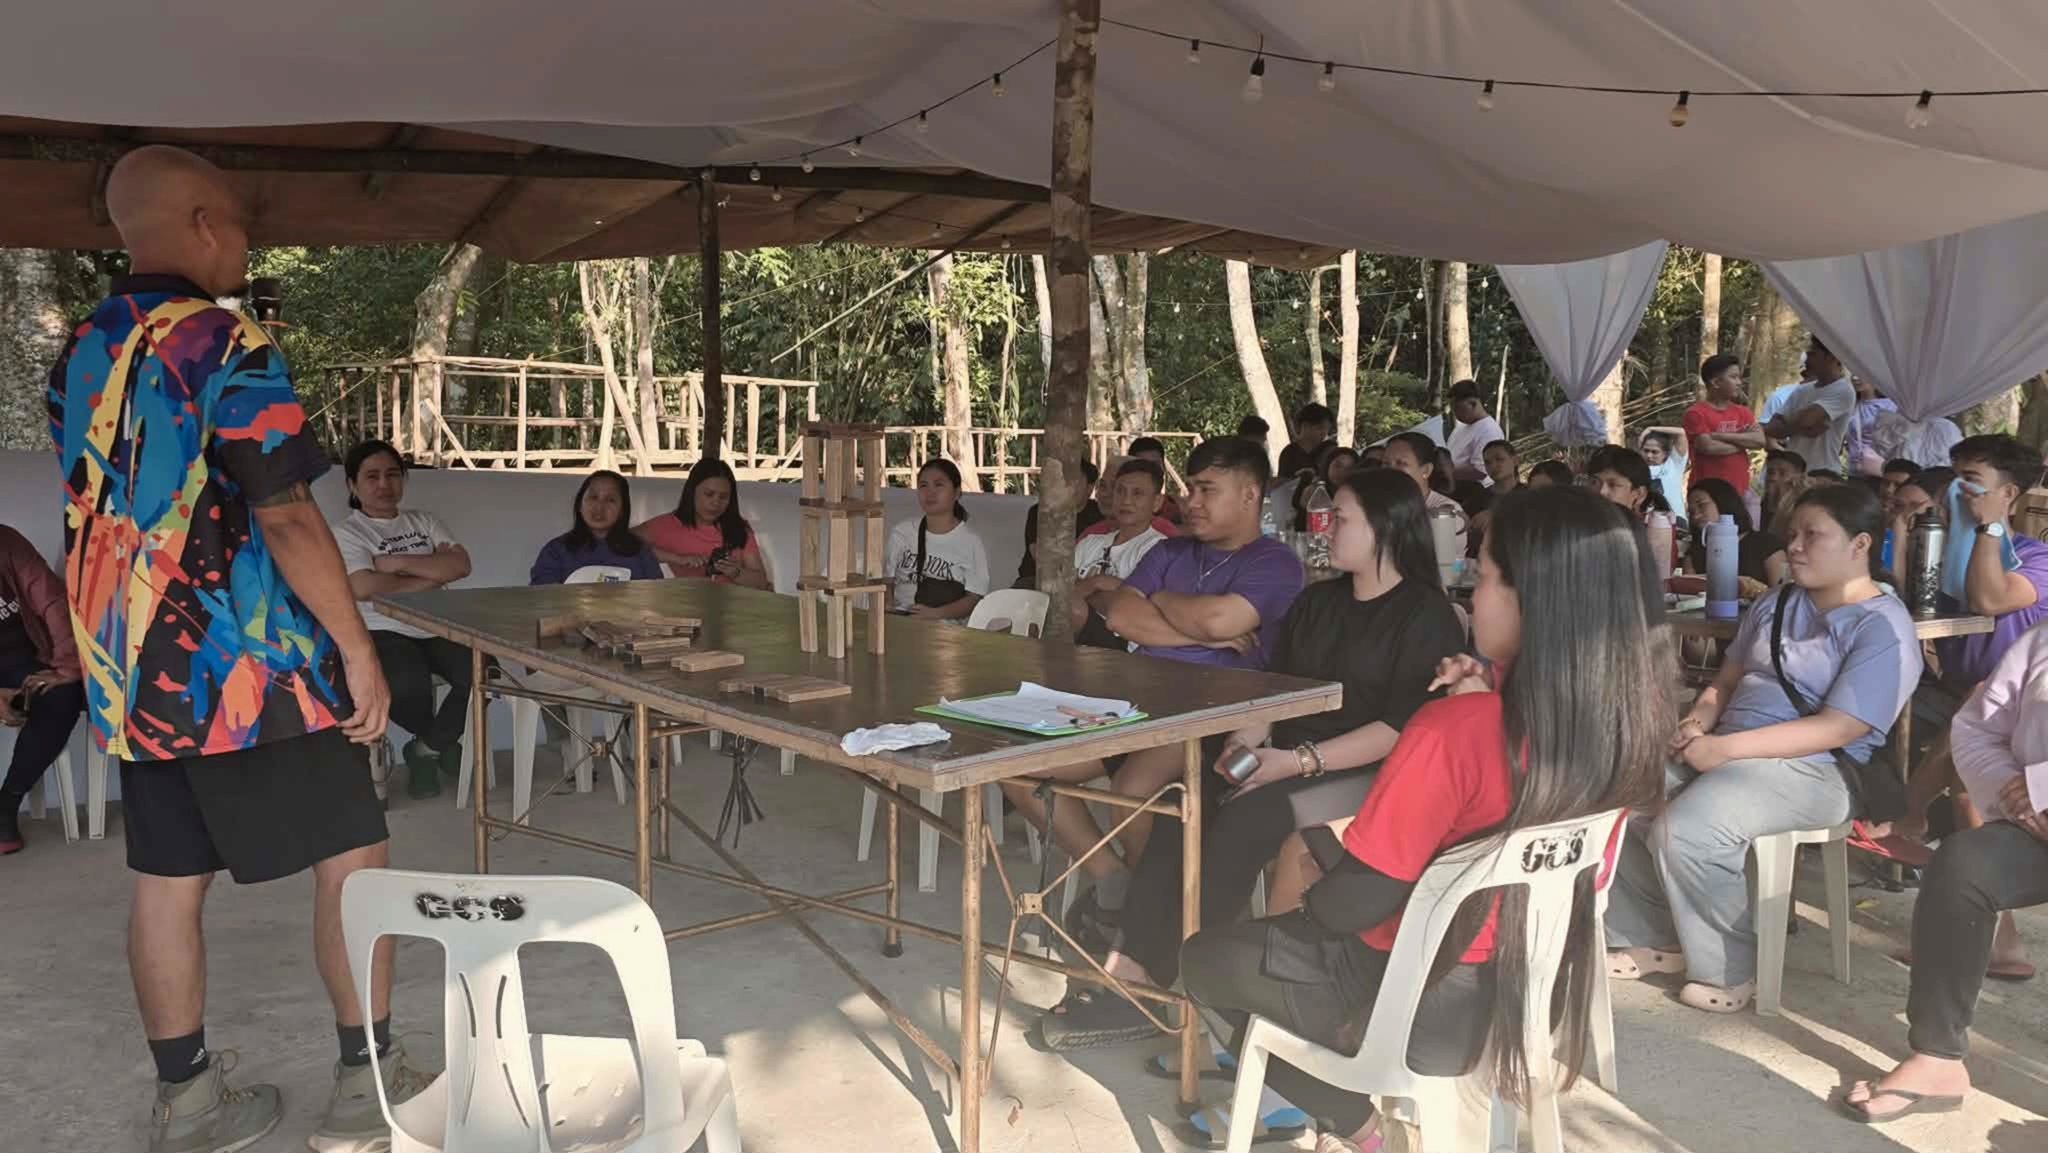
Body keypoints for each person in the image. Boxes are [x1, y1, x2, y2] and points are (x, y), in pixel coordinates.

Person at [46, 145, 419, 1153]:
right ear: (206, 222)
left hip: (133, 673)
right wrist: (356, 647)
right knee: (354, 857)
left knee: (168, 880)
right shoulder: (222, 338)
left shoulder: (81, 351)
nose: (247, 243)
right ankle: (368, 1082)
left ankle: (188, 1100)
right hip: (247, 669)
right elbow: (288, 512)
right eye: (242, 223)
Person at [1142, 487, 1672, 1148]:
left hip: (1413, 1000)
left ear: (1535, 599)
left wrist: (1326, 867)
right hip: (1528, 983)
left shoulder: (1455, 728)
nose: (1473, 596)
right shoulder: (1626, 722)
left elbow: (1350, 906)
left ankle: (1363, 1127)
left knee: (1206, 959)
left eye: (1484, 577)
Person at [1038, 469, 1468, 1062]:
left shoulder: (1424, 615)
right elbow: (1274, 691)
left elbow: (1400, 728)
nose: (1325, 530)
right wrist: (1244, 743)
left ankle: (1174, 977)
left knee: (1242, 823)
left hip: (1360, 768)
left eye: (1340, 519)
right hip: (1283, 752)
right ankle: (1132, 965)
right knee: (1183, 803)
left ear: (1385, 528)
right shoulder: (1318, 601)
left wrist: (1294, 762)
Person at [1607, 485, 1920, 1013]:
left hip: (1817, 770)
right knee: (1621, 791)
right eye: (1792, 534)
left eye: (1812, 535)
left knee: (1690, 828)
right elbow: (1725, 682)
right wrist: (1696, 723)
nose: (1794, 546)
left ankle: (1729, 969)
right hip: (1729, 747)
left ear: (1860, 543)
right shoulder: (1777, 602)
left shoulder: (1883, 626)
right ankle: (1655, 936)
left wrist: (1726, 749)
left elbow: (1838, 728)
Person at [1000, 438, 1306, 950]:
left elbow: (1221, 619)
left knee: (1133, 789)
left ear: (1250, 495)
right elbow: (1121, 615)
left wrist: (1160, 600)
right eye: (1191, 489)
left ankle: (1154, 921)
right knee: (1014, 766)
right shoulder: (1171, 550)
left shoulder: (1275, 563)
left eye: (1207, 490)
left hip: (1214, 717)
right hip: (1133, 704)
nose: (1192, 501)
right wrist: (1194, 629)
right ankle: (1114, 880)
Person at [1839, 621, 2048, 1123]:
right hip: (2038, 825)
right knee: (1964, 864)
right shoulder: (2041, 642)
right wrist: (2019, 796)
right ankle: (1937, 1058)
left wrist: (2043, 785)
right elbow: (1977, 729)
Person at [333, 440, 475, 801]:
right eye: (372, 476)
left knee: (485, 675)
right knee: (407, 688)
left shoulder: (424, 521)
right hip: (382, 628)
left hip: (439, 623)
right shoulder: (348, 533)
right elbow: (364, 586)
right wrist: (432, 574)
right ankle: (441, 744)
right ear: (352, 485)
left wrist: (394, 564)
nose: (384, 484)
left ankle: (425, 749)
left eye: (393, 475)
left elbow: (461, 565)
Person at [0, 524, 87, 854]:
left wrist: (66, 668)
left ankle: (6, 804)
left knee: (63, 696)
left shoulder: (6, 541)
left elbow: (51, 601)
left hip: (25, 661)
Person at [1070, 459, 1172, 642]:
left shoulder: (1159, 549)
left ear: (1157, 502)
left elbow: (1144, 606)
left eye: (1137, 493)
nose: (1126, 501)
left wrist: (1091, 586)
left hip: (1124, 643)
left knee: (1073, 608)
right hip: (1076, 637)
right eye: (1120, 491)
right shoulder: (1090, 542)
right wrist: (1102, 586)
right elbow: (1061, 591)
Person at [634, 458, 770, 589]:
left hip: (739, 601)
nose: (716, 503)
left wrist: (735, 572)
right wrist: (678, 559)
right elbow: (625, 543)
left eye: (723, 497)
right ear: (692, 492)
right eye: (709, 494)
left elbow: (761, 582)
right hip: (691, 601)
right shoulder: (668, 525)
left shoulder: (738, 528)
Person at [886, 459, 990, 620]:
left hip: (946, 626)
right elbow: (886, 579)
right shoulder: (902, 533)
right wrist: (888, 606)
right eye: (924, 485)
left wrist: (936, 614)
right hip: (902, 621)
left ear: (956, 493)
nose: (930, 492)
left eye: (939, 485)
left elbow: (974, 597)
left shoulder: (971, 542)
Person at [530, 470, 666, 585]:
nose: (600, 507)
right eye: (593, 497)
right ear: (580, 504)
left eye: (610, 500)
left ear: (622, 510)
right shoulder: (555, 551)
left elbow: (657, 596)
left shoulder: (640, 551)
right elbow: (543, 598)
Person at [1763, 335, 1857, 473]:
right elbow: (1772, 428)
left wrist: (1789, 423)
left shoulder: (1843, 390)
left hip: (1821, 474)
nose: (1807, 360)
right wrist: (1802, 427)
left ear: (1831, 357)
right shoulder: (1802, 390)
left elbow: (1806, 419)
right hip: (1793, 473)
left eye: (1813, 354)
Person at [1684, 479, 1787, 592]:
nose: (1696, 516)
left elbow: (1781, 594)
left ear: (1724, 501)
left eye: (1701, 505)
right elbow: (1690, 595)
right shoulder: (1695, 553)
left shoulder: (1766, 544)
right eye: (1691, 511)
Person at [1683, 354, 1766, 495]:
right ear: (1716, 382)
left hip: (1739, 489)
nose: (1739, 382)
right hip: (1707, 492)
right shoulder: (1695, 413)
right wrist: (1743, 441)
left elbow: (1759, 441)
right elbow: (1708, 447)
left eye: (1739, 377)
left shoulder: (1743, 412)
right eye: (1733, 377)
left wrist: (1719, 436)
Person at [1016, 459, 1104, 588]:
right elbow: (1041, 555)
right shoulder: (1040, 512)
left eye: (1075, 482)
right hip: (1035, 580)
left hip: (1082, 583)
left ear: (1089, 488)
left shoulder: (1100, 514)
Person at [1383, 431, 1469, 560]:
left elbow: (1443, 566)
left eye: (1401, 463)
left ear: (1426, 470)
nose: (1390, 471)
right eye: (1385, 463)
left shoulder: (1446, 511)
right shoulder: (1380, 503)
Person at [1446, 379, 1507, 482]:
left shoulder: (1489, 431)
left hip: (1474, 489)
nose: (1455, 414)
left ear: (1472, 404)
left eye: (1457, 408)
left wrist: (1445, 472)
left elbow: (1481, 472)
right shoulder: (1462, 426)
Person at [1291, 443, 1359, 532]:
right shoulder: (1314, 492)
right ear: (1328, 465)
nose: (1342, 472)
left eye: (1349, 469)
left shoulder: (1357, 497)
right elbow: (1301, 527)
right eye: (1337, 466)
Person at [1587, 445, 1660, 520]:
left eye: (1612, 485)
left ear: (1639, 494)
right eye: (1594, 482)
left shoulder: (1656, 526)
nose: (1601, 492)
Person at [1845, 376, 1899, 476]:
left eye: (1860, 374)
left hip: (1880, 469)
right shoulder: (1850, 405)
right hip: (1854, 470)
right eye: (1853, 374)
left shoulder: (1889, 406)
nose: (1855, 378)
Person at [1127, 436, 1186, 525]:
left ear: (1164, 468)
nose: (1151, 471)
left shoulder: (1179, 510)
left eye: (1155, 464)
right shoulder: (1121, 510)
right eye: (1143, 465)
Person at [1278, 402, 1335, 480]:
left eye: (1327, 429)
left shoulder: (1327, 450)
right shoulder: (1290, 453)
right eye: (1320, 428)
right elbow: (1284, 482)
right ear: (1305, 426)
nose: (1324, 433)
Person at [1761, 448, 1809, 536]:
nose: (1773, 478)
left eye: (1782, 473)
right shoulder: (1762, 504)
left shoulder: (1802, 510)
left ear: (1799, 478)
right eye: (1770, 472)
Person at [1639, 429, 1689, 512]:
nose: (1649, 455)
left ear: (1665, 453)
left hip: (1676, 517)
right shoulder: (1637, 468)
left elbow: (1681, 432)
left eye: (1654, 452)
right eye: (1646, 451)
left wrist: (1650, 428)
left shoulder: (1674, 463)